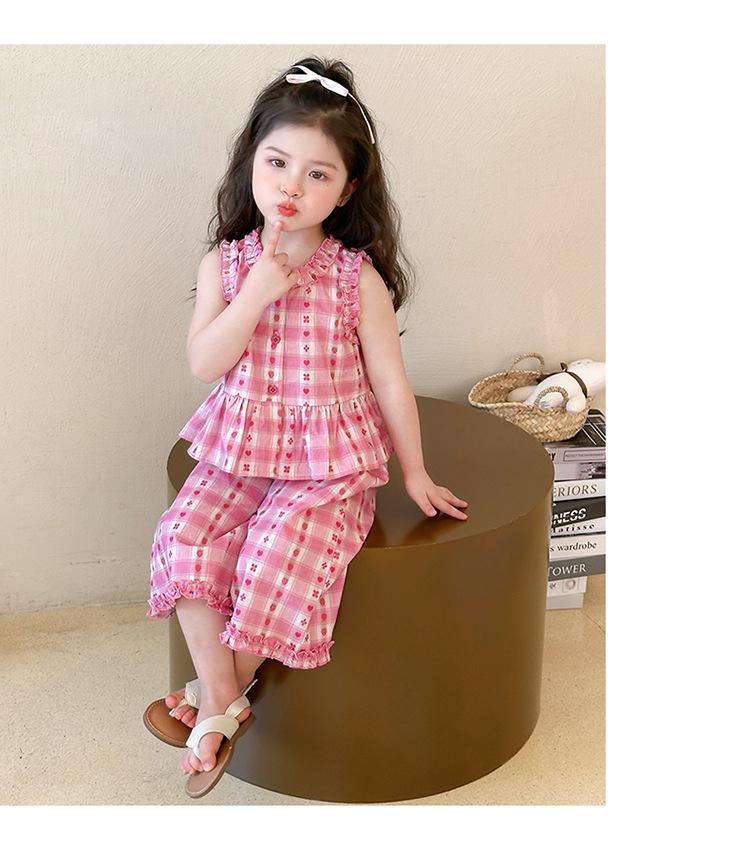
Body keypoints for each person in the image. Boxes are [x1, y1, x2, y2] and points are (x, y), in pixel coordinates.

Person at [142, 57, 469, 798]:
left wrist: (415, 472)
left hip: (329, 466)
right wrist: (257, 291)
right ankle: (222, 700)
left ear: (346, 190)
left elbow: (390, 380)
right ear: (250, 162)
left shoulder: (355, 276)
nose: (292, 185)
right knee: (182, 535)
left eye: (317, 173)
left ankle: (210, 702)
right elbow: (204, 362)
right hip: (239, 453)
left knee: (277, 551)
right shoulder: (226, 266)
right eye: (277, 162)